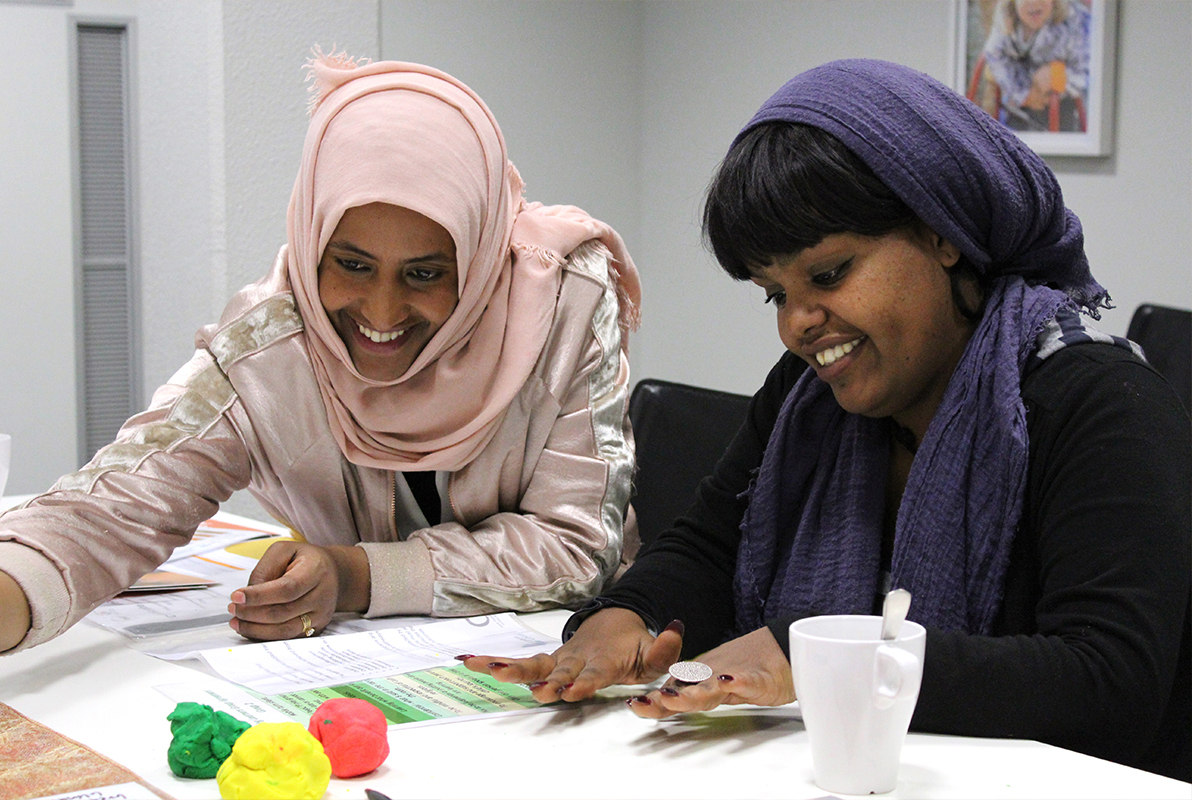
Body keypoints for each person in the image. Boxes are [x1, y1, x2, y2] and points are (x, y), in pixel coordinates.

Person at [463, 59, 1191, 782]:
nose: (798, 325)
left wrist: (817, 659)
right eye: (774, 293)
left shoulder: (1101, 403)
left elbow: (1110, 681)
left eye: (830, 273)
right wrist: (629, 615)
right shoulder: (809, 395)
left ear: (944, 234)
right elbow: (710, 544)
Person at [0, 52, 641, 655]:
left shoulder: (564, 309)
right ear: (311, 244)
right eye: (352, 265)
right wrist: (10, 587)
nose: (381, 314)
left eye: (424, 274)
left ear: (475, 258)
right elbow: (122, 502)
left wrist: (356, 575)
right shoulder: (270, 347)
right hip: (351, 668)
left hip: (573, 658)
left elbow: (575, 547)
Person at [982, 0, 1091, 132]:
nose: (1033, 2)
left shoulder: (1076, 18)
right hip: (1020, 105)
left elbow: (1094, 69)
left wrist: (1058, 76)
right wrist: (1024, 95)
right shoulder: (1005, 14)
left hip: (1069, 107)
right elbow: (994, 53)